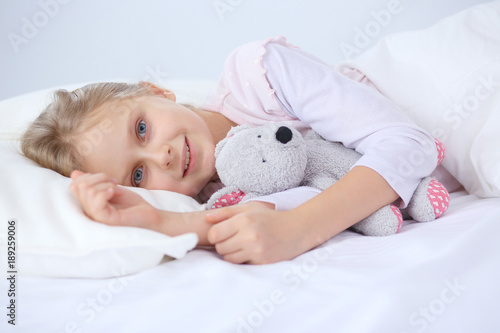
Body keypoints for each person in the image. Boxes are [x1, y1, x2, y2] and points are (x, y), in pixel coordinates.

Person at [20, 37, 438, 264]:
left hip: (438, 94)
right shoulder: (212, 196)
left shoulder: (261, 76)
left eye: (142, 129)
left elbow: (409, 144)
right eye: (138, 175)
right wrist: (152, 219)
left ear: (157, 92)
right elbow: (280, 209)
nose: (160, 157)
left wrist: (300, 230)